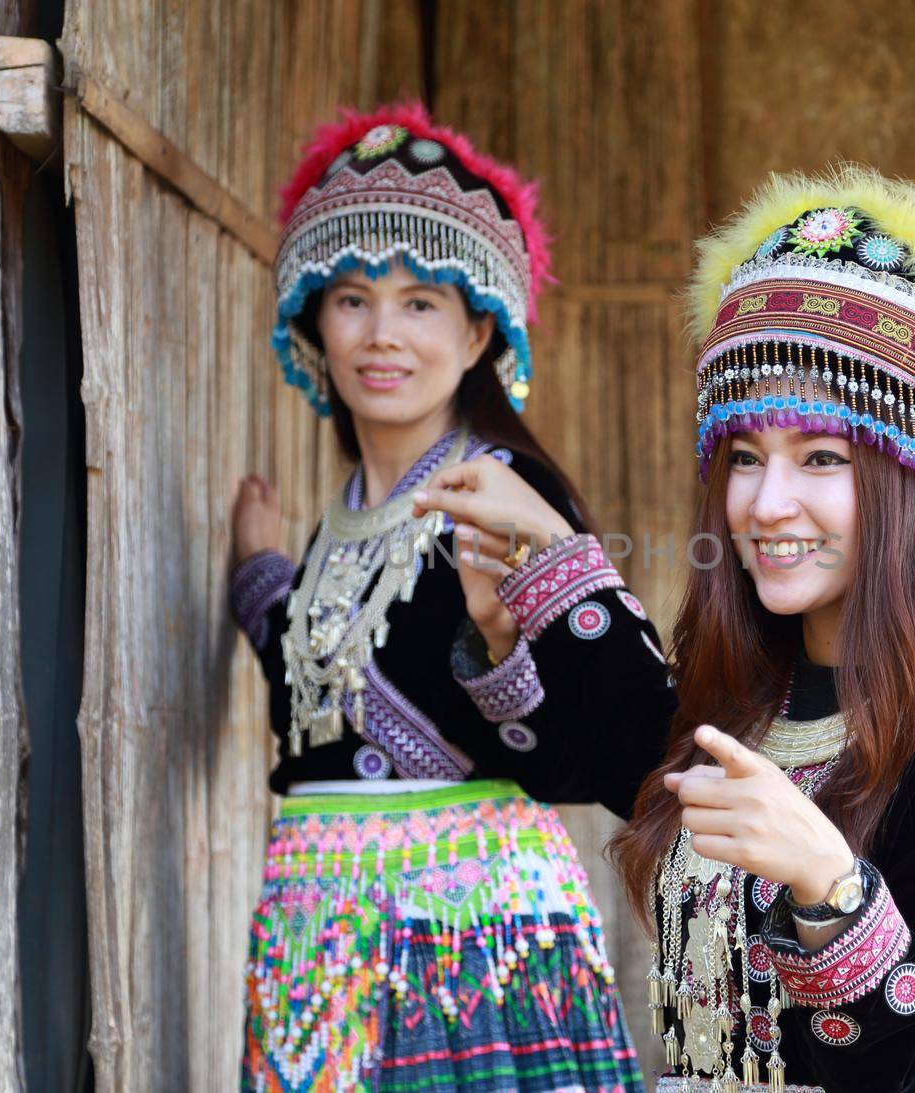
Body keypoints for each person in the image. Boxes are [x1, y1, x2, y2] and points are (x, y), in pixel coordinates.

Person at [602, 166, 915, 1092]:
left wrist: (833, 886)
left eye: (821, 456)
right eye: (745, 457)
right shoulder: (741, 703)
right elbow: (589, 735)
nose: (766, 502)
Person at [230, 103, 669, 1092]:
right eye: (351, 298)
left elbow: (605, 742)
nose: (381, 334)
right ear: (313, 321)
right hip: (319, 927)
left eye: (421, 302)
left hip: (464, 942)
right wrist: (263, 586)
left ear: (479, 334)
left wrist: (501, 639)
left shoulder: (503, 491)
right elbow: (332, 709)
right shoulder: (341, 515)